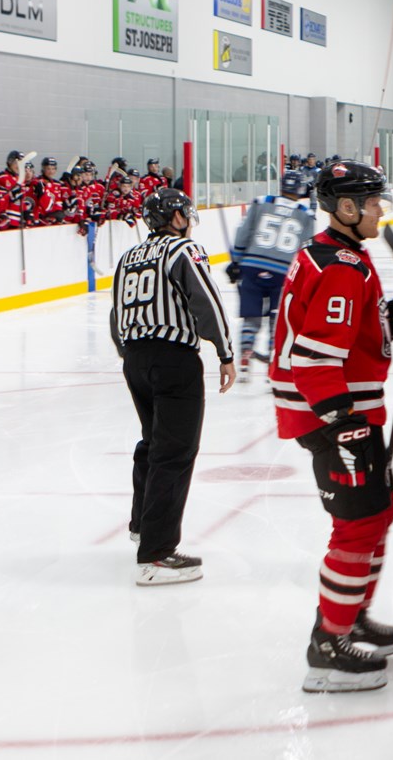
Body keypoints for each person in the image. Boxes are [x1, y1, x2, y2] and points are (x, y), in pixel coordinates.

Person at [269, 160, 393, 693]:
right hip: (332, 416)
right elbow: (315, 356)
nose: (379, 210)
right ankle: (327, 645)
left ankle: (351, 616)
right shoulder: (343, 268)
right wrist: (343, 422)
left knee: (379, 510)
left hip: (342, 410)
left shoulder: (340, 258)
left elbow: (355, 332)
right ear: (346, 209)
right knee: (358, 523)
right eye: (372, 203)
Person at [110, 188, 236, 586]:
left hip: (136, 359)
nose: (187, 218)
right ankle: (157, 554)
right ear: (174, 217)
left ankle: (142, 525)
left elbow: (117, 313)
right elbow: (206, 300)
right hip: (174, 359)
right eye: (183, 212)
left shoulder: (128, 257)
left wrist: (131, 356)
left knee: (152, 442)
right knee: (174, 452)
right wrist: (226, 352)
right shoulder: (183, 250)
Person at [227, 170, 315, 380]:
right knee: (277, 320)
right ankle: (272, 364)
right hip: (284, 272)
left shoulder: (261, 202)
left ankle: (246, 355)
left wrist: (236, 261)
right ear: (301, 189)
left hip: (252, 265)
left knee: (251, 317)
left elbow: (244, 233)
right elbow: (307, 248)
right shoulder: (306, 214)